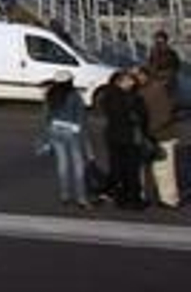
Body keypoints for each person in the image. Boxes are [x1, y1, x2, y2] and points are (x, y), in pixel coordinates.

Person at [98, 69, 148, 209]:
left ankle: (119, 197)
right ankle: (133, 199)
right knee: (131, 169)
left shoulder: (107, 96)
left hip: (113, 136)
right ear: (120, 82)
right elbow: (141, 117)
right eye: (129, 80)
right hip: (129, 137)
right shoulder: (132, 98)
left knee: (117, 167)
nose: (133, 82)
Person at [41, 71, 91, 207]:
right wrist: (84, 136)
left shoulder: (50, 95)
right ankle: (81, 198)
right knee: (78, 165)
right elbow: (81, 116)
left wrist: (45, 138)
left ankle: (65, 195)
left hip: (55, 130)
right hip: (72, 131)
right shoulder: (74, 95)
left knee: (62, 164)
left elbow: (46, 117)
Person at [139, 67, 180, 209]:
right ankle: (167, 198)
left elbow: (165, 114)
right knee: (161, 169)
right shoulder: (148, 89)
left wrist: (150, 129)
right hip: (154, 133)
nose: (135, 79)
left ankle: (169, 199)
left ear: (145, 75)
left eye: (138, 76)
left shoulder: (156, 90)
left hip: (161, 134)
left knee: (164, 169)